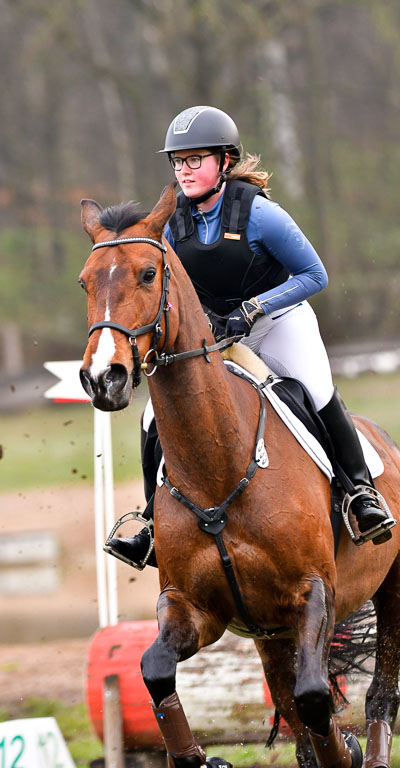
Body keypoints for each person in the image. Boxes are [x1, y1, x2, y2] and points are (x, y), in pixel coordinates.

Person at [106, 105, 394, 568]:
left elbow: (315, 274)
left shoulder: (260, 215)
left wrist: (254, 307)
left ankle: (361, 493)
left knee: (316, 391)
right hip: (216, 334)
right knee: (151, 419)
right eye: (178, 162)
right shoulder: (171, 224)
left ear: (224, 161)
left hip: (279, 321)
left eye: (194, 159)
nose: (184, 170)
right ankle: (151, 522)